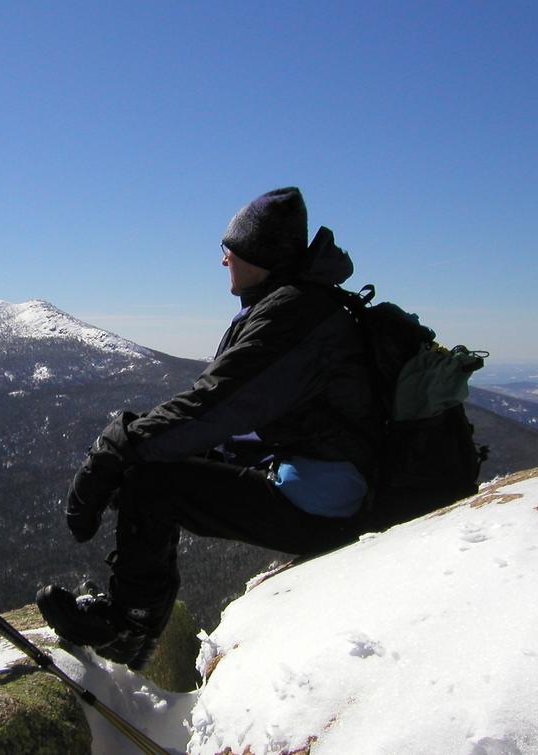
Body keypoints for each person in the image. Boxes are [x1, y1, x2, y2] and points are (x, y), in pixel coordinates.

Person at [37, 187, 380, 669]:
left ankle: (129, 627)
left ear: (256, 256)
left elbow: (217, 406)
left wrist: (119, 448)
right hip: (310, 476)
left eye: (229, 251)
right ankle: (133, 608)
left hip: (325, 504)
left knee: (150, 481)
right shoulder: (292, 305)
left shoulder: (294, 315)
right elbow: (235, 415)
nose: (223, 262)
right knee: (155, 463)